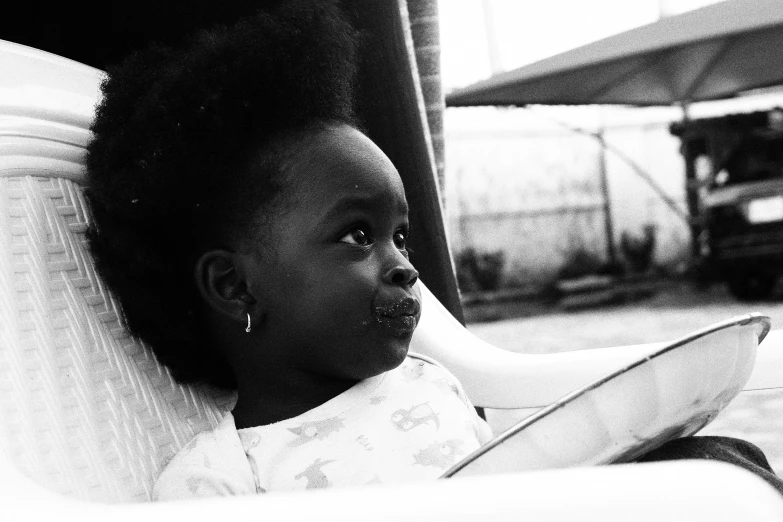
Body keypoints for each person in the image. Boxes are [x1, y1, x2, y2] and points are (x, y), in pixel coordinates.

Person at [84, 0, 783, 500]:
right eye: (358, 235)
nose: (404, 264)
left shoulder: (429, 382)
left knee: (716, 462)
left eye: (399, 234)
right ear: (235, 289)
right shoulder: (220, 475)